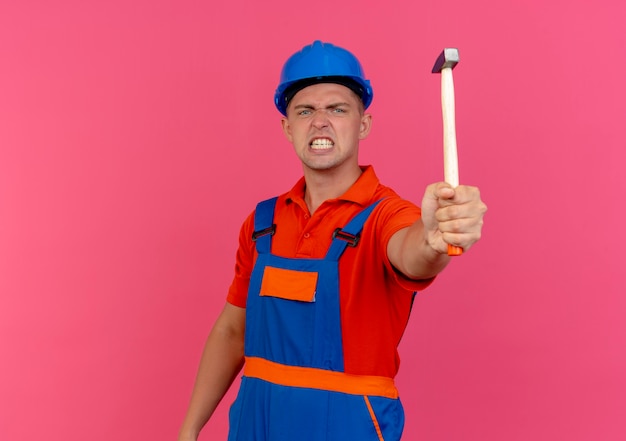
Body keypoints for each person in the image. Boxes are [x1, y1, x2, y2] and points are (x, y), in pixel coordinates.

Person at [178, 40, 487, 441]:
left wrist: (434, 239)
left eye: (338, 109)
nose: (320, 121)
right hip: (257, 421)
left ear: (363, 124)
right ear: (288, 128)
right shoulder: (262, 223)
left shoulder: (385, 215)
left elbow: (413, 253)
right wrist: (189, 430)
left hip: (347, 426)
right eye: (305, 110)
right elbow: (232, 332)